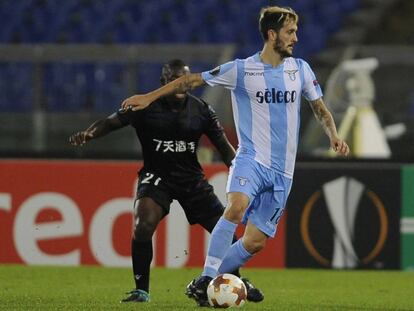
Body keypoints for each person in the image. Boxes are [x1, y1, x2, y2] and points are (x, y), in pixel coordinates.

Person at [120, 6, 350, 307]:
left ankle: (206, 281)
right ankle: (206, 279)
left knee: (254, 242)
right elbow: (190, 82)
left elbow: (319, 108)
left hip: (283, 173)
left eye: (295, 31)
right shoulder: (241, 70)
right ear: (272, 34)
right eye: (290, 32)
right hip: (251, 159)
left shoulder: (301, 69)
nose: (296, 37)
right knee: (237, 206)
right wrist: (148, 97)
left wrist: (333, 134)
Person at [69, 59, 264, 304]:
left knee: (224, 231)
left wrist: (246, 181)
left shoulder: (202, 110)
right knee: (143, 225)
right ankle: (141, 290)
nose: (181, 86)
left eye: (184, 80)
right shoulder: (145, 107)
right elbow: (110, 122)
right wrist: (89, 133)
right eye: (174, 80)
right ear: (164, 82)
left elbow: (225, 150)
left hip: (192, 180)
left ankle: (237, 280)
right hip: (157, 177)